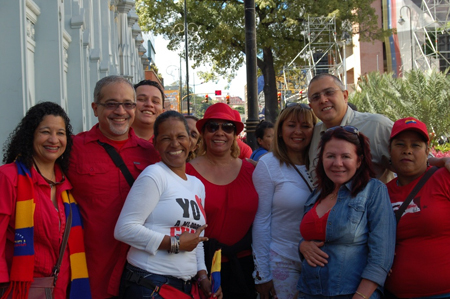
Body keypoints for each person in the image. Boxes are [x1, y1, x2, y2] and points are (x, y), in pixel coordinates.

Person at [67, 75, 160, 298]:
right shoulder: (71, 149)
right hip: (90, 270)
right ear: (95, 108)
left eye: (128, 104)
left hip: (141, 271)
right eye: (111, 104)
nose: (120, 111)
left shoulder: (152, 153)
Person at [115, 111, 222, 298]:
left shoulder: (197, 185)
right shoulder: (154, 175)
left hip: (186, 286)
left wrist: (203, 276)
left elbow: (197, 241)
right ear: (155, 143)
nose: (175, 144)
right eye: (166, 138)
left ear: (191, 141)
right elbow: (124, 229)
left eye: (181, 136)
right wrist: (175, 243)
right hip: (149, 283)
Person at [0, 102, 91, 299]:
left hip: (64, 289)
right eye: (45, 132)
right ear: (30, 135)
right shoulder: (8, 178)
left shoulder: (68, 186)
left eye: (60, 133)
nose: (53, 139)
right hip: (20, 291)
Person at [298, 126, 396, 299]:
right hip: (309, 291)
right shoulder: (316, 195)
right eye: (330, 156)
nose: (337, 163)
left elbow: (382, 255)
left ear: (359, 161)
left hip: (352, 293)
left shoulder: (373, 191)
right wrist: (302, 246)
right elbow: (312, 237)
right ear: (321, 159)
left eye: (346, 156)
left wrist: (361, 296)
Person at [186, 103, 258, 298]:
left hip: (246, 266)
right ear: (203, 132)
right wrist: (201, 275)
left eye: (227, 127)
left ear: (234, 134)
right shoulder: (186, 173)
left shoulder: (253, 171)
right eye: (212, 127)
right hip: (200, 267)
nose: (220, 132)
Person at [252, 104, 316, 299]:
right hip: (282, 260)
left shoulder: (325, 161)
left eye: (305, 125)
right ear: (280, 130)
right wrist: (262, 274)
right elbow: (261, 221)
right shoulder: (268, 164)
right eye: (291, 125)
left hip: (320, 260)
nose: (298, 131)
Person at [385, 117, 450, 298]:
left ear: (427, 151)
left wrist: (444, 161)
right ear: (389, 150)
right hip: (395, 293)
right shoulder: (381, 193)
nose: (407, 150)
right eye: (400, 144)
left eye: (415, 145)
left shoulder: (444, 178)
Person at [307, 74, 394, 183]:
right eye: (316, 97)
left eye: (329, 92)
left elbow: (412, 170)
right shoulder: (312, 134)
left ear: (345, 96)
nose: (323, 100)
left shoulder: (377, 126)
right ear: (311, 107)